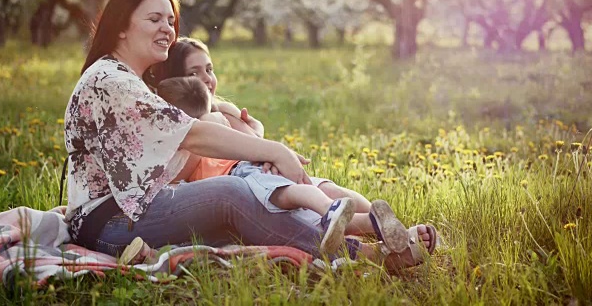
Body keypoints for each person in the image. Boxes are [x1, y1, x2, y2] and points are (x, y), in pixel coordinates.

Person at [64, 0, 436, 271]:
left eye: (171, 20)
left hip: (133, 211)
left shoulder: (128, 80)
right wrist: (274, 150)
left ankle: (366, 242)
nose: (167, 29)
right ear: (121, 29)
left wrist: (257, 152)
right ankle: (367, 255)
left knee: (251, 198)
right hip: (110, 223)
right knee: (233, 194)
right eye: (154, 19)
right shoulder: (110, 81)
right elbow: (194, 134)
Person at [145, 37, 413, 245]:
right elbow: (184, 172)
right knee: (305, 202)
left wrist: (257, 137)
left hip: (260, 171)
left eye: (209, 69)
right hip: (243, 188)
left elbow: (252, 135)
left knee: (330, 190)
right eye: (194, 73)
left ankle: (391, 227)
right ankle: (368, 224)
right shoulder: (182, 124)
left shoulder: (222, 109)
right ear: (179, 82)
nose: (206, 79)